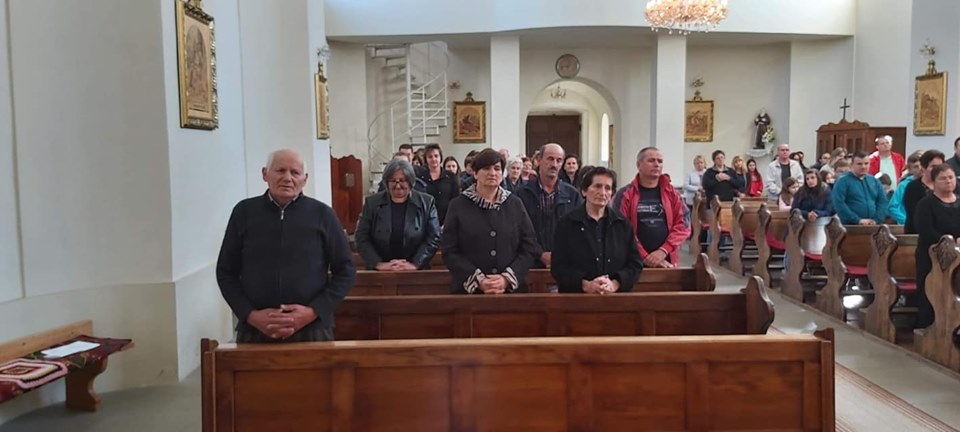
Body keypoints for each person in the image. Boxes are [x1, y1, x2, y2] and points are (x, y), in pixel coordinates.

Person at [216, 149, 356, 343]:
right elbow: (225, 272)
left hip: (312, 328)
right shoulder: (244, 212)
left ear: (305, 179)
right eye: (280, 170)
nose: (288, 178)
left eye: (295, 172)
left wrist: (313, 311)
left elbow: (346, 271)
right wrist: (250, 315)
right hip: (255, 329)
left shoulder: (323, 214)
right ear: (265, 174)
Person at [440, 148, 538, 294]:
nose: (492, 173)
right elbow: (449, 250)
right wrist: (479, 280)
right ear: (475, 173)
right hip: (469, 293)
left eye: (497, 169)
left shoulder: (515, 204)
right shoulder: (458, 205)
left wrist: (506, 279)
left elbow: (529, 246)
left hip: (510, 292)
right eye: (486, 168)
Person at [553, 167, 644, 293]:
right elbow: (558, 267)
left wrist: (615, 284)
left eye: (608, 188)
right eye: (597, 186)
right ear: (584, 191)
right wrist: (586, 285)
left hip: (615, 297)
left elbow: (635, 263)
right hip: (577, 297)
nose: (602, 192)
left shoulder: (622, 224)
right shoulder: (567, 224)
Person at [355, 159, 441, 271]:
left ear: (410, 181)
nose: (398, 185)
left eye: (402, 180)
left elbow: (434, 237)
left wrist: (415, 264)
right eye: (393, 181)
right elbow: (361, 237)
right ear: (386, 182)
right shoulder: (372, 203)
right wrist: (378, 264)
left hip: (417, 271)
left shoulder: (427, 202)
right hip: (380, 271)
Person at [613, 147, 691, 268]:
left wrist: (663, 250)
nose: (656, 164)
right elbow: (620, 229)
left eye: (660, 161)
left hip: (667, 260)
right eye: (651, 160)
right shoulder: (625, 194)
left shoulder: (672, 193)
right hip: (633, 261)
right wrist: (644, 256)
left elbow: (683, 224)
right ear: (638, 165)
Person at [516, 143, 584, 268]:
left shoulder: (572, 195)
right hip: (530, 263)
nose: (554, 164)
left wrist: (559, 254)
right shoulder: (522, 194)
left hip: (565, 263)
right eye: (550, 159)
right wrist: (540, 253)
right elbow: (519, 230)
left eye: (559, 160)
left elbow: (579, 229)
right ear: (539, 160)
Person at [913, 164, 960, 328]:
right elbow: (925, 230)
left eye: (951, 177)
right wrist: (949, 242)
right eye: (943, 178)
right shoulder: (926, 204)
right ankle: (930, 327)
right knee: (933, 292)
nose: (948, 181)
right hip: (931, 256)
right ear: (934, 182)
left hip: (958, 256)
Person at [831, 150, 889, 225]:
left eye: (866, 163)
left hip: (873, 225)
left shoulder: (874, 181)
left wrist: (876, 219)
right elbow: (838, 204)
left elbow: (882, 201)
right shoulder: (842, 181)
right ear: (851, 165)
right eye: (859, 164)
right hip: (850, 226)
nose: (863, 167)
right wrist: (857, 220)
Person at [904, 150, 945, 234]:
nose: (937, 170)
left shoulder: (949, 186)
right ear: (923, 167)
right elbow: (915, 214)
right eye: (933, 166)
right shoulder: (913, 187)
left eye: (940, 166)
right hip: (918, 233)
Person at [417, 144, 460, 223]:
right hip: (426, 221)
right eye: (430, 157)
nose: (433, 159)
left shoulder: (451, 177)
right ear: (426, 159)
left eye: (436, 156)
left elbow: (455, 200)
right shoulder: (420, 177)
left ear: (440, 158)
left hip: (447, 220)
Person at [888, 152, 923, 224]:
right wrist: (906, 220)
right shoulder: (904, 185)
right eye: (916, 167)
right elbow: (892, 207)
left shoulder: (932, 184)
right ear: (910, 170)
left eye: (922, 165)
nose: (920, 169)